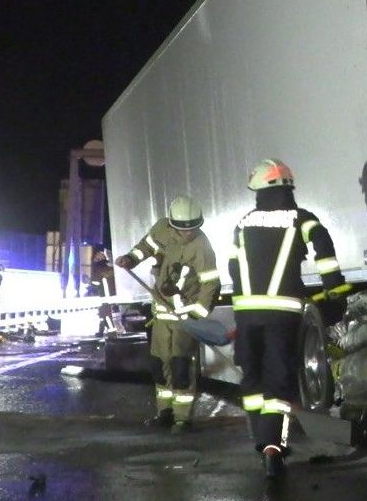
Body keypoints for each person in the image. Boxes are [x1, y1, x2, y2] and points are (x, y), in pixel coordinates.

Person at [230, 159, 350, 479]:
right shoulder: (303, 219)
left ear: (257, 188)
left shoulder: (243, 222)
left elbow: (233, 267)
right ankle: (274, 447)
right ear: (289, 186)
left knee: (252, 380)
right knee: (279, 382)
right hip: (283, 314)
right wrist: (335, 291)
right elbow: (324, 250)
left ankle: (262, 440)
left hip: (246, 314)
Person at [116, 195, 221, 432]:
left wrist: (197, 315)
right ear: (172, 224)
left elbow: (211, 286)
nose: (188, 235)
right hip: (161, 314)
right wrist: (131, 259)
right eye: (183, 230)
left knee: (180, 367)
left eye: (193, 230)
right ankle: (164, 412)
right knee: (159, 366)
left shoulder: (202, 247)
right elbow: (146, 246)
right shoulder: (162, 229)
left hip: (184, 317)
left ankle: (182, 418)